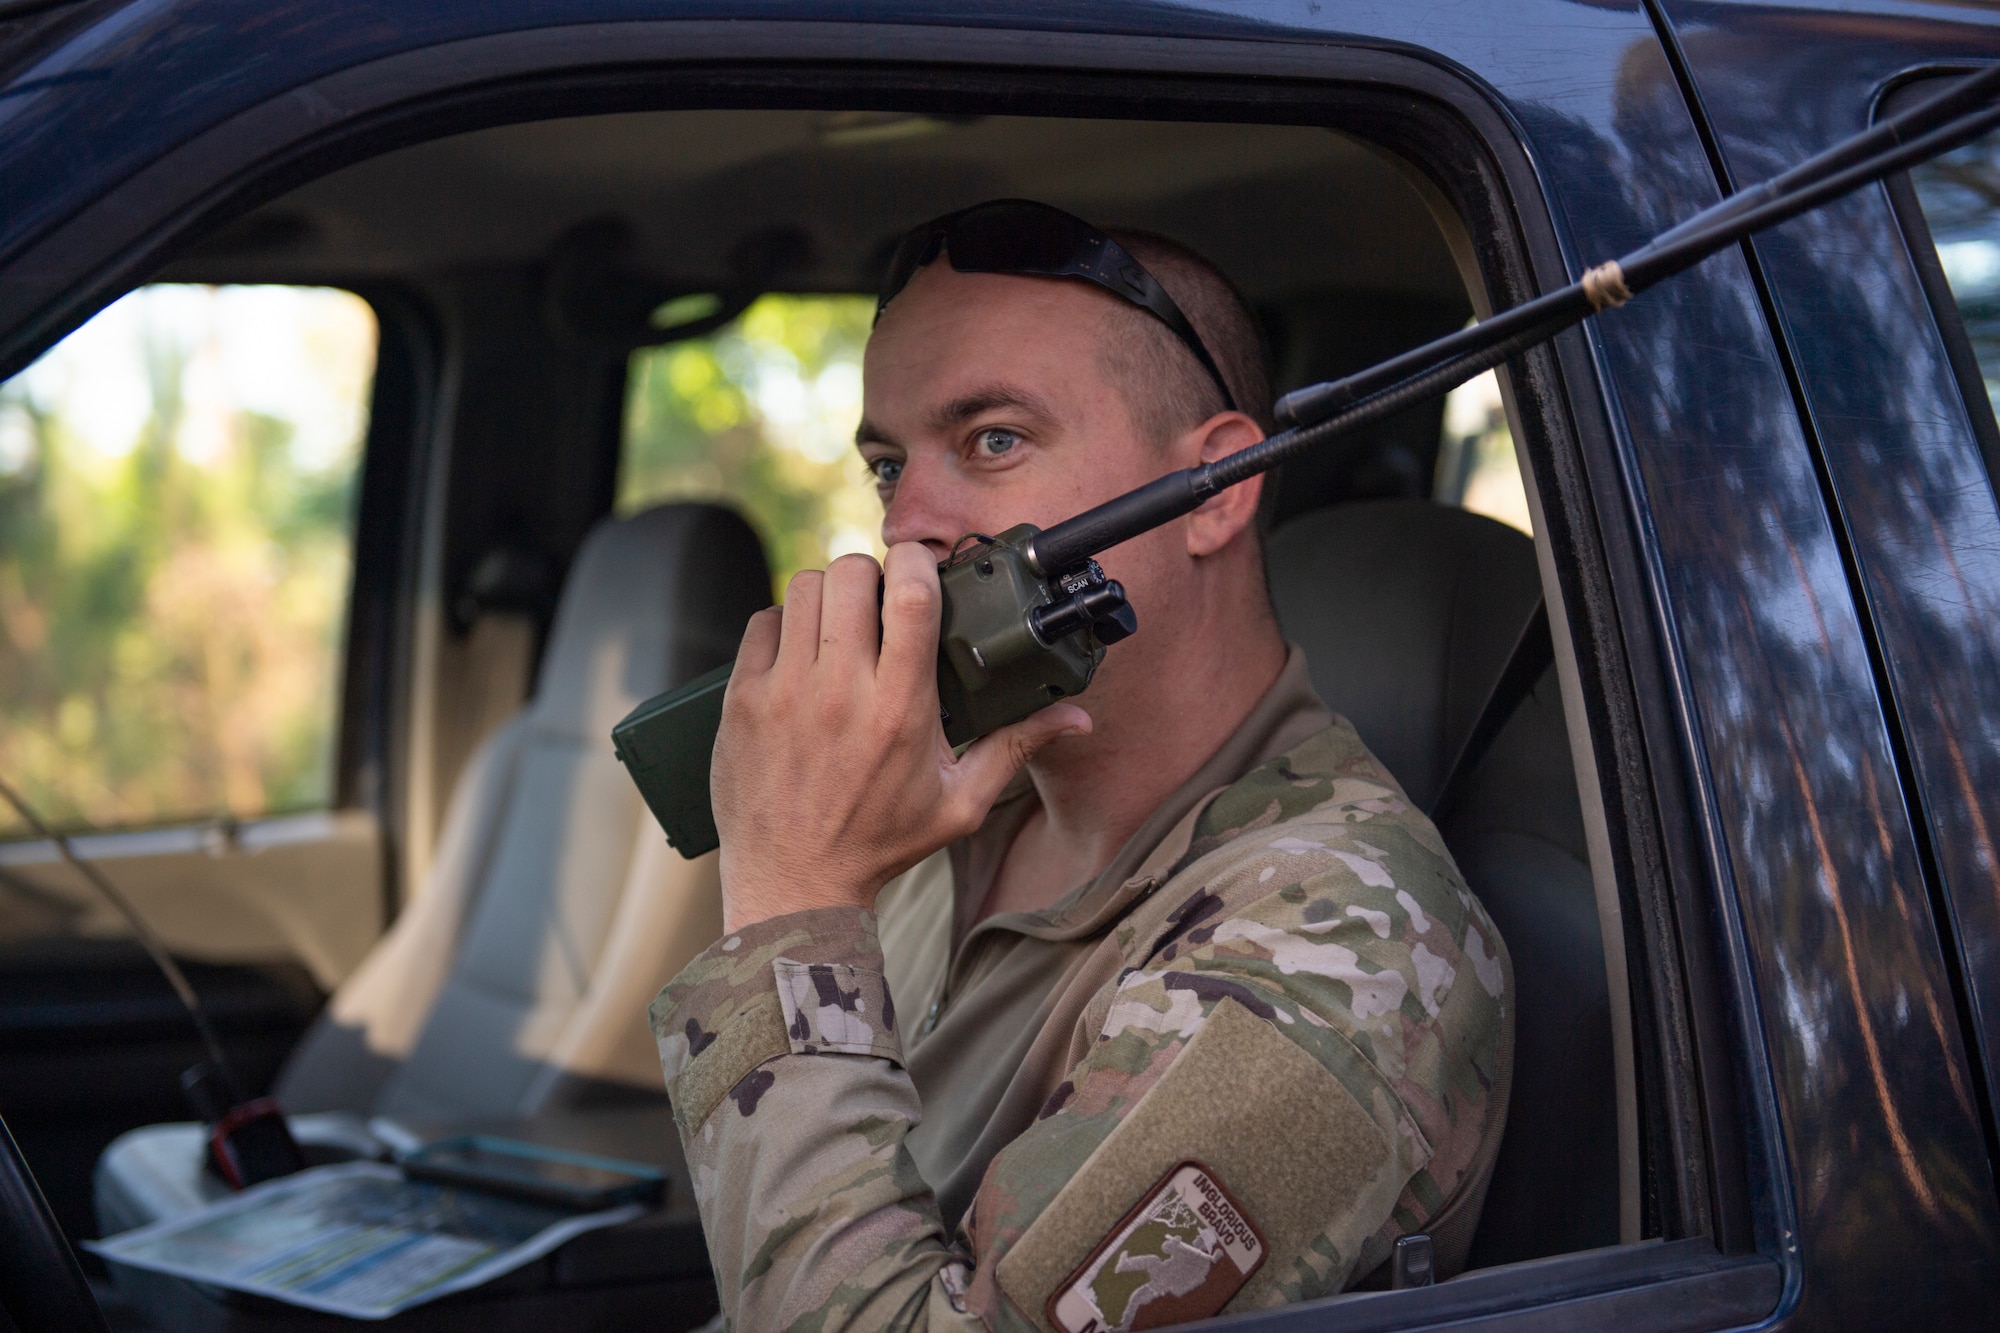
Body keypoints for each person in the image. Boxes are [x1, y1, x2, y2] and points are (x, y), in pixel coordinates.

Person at [650, 200, 1512, 1331]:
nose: (908, 523)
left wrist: (792, 898)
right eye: (887, 465)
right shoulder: (933, 813)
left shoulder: (1338, 947)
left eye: (993, 440)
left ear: (1219, 488)